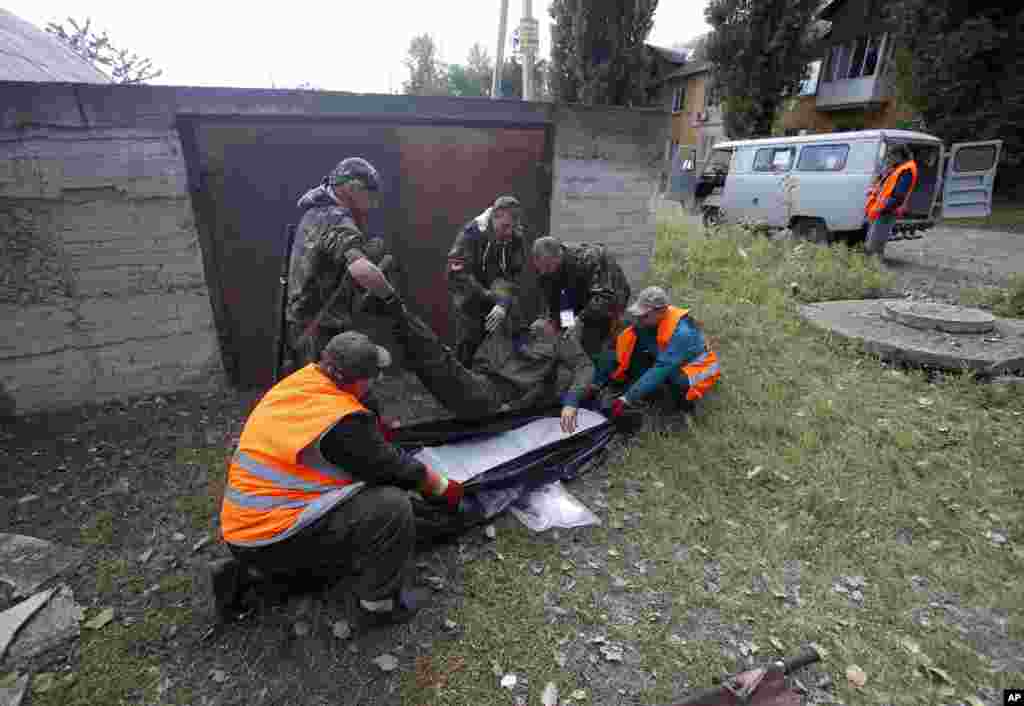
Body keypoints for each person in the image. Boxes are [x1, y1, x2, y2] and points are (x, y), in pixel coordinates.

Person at [203, 331, 464, 627]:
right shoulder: (340, 424)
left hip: (247, 528)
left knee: (344, 545)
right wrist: (442, 488)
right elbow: (395, 469)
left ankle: (244, 575)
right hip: (272, 536)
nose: (377, 380)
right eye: (373, 376)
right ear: (357, 381)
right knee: (390, 508)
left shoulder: (303, 381)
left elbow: (358, 434)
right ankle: (377, 606)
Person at [364, 269, 593, 435]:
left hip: (491, 397)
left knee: (437, 360)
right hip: (477, 382)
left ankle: (393, 307)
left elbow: (584, 368)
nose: (545, 318)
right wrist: (502, 304)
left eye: (555, 314)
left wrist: (571, 401)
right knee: (426, 365)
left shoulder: (562, 342)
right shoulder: (521, 323)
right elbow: (501, 286)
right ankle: (392, 312)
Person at [285, 157, 400, 368]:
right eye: (371, 194)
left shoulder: (317, 211)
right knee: (324, 388)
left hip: (306, 320)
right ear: (353, 188)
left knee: (315, 385)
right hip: (321, 326)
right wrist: (391, 299)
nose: (373, 203)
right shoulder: (335, 218)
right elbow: (360, 269)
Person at [591, 286, 720, 417]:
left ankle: (683, 410)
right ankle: (647, 389)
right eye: (638, 315)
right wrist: (597, 382)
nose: (639, 319)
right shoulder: (648, 322)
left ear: (661, 312)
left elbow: (661, 369)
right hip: (668, 360)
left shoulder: (682, 333)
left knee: (678, 382)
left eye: (644, 315)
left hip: (699, 368)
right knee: (637, 350)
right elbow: (618, 349)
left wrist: (627, 398)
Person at [446, 195, 528, 366]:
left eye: (513, 227)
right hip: (469, 293)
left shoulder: (515, 236)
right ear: (494, 217)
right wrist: (490, 296)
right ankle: (459, 383)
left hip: (496, 292)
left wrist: (503, 303)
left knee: (514, 328)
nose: (509, 232)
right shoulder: (473, 232)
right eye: (505, 226)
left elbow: (512, 275)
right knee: (470, 340)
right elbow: (456, 273)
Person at [532, 236, 632, 361]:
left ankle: (598, 369)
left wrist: (579, 320)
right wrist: (553, 321)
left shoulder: (590, 258)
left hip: (609, 298)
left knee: (591, 342)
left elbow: (605, 297)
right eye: (539, 269)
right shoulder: (546, 269)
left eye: (547, 267)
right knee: (566, 335)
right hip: (579, 295)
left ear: (559, 256)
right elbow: (557, 301)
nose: (543, 272)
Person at [864, 145, 918, 257]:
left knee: (874, 245)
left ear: (898, 156)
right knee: (874, 243)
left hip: (887, 211)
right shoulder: (898, 168)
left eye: (890, 156)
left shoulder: (906, 170)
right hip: (884, 210)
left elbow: (898, 196)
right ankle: (873, 266)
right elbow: (885, 187)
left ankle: (873, 268)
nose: (889, 159)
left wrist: (883, 208)